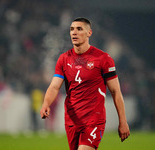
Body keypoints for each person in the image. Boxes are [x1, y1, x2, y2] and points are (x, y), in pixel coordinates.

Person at [40, 17, 130, 150]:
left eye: (79, 29)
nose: (74, 32)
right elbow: (54, 86)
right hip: (72, 119)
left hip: (94, 119)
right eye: (72, 29)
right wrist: (46, 103)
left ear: (89, 33)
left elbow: (116, 91)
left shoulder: (103, 59)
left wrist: (123, 121)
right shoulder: (64, 59)